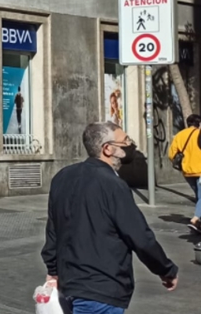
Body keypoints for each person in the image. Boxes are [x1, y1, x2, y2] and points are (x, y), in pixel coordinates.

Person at [42, 122, 178, 314]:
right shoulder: (114, 185)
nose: (131, 145)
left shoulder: (62, 177)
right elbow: (139, 235)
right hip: (101, 290)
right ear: (107, 149)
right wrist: (166, 269)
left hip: (69, 285)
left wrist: (53, 270)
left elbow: (52, 232)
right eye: (125, 141)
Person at [168, 114, 201, 233]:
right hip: (200, 169)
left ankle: (198, 221)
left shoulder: (180, 135)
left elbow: (171, 154)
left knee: (199, 196)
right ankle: (195, 219)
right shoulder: (199, 134)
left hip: (187, 171)